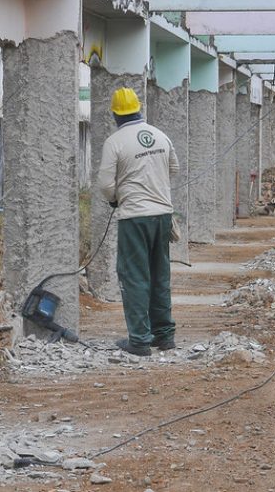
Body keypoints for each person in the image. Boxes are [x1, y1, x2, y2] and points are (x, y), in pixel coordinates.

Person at [97, 87, 179, 357]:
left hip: (134, 218)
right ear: (139, 108)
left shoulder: (115, 141)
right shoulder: (159, 135)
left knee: (134, 277)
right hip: (162, 215)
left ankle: (140, 340)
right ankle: (164, 336)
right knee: (159, 275)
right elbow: (174, 169)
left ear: (115, 114)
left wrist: (116, 198)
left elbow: (106, 185)